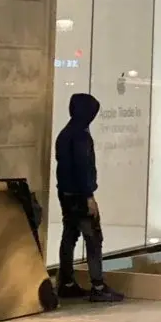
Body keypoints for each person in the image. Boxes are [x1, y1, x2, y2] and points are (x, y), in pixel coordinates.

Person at [55, 93, 124, 303]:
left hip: (66, 193)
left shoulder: (65, 133)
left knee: (69, 236)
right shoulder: (81, 136)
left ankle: (66, 282)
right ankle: (98, 285)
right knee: (93, 238)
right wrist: (89, 196)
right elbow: (83, 168)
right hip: (79, 195)